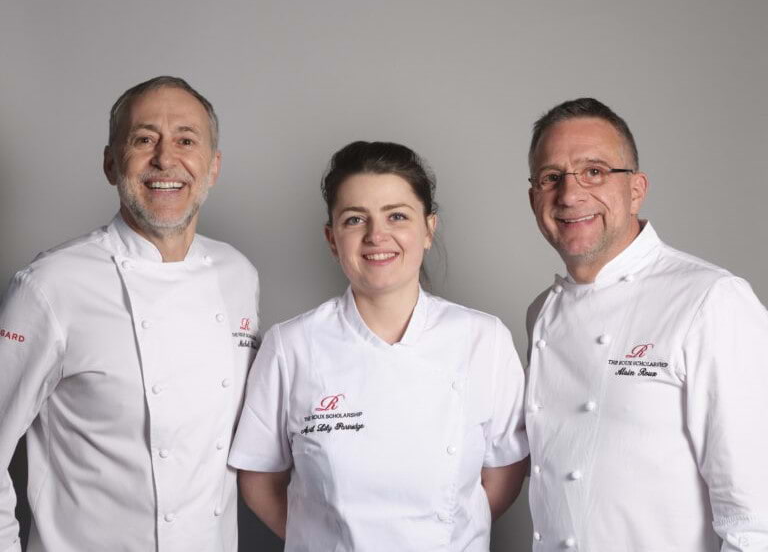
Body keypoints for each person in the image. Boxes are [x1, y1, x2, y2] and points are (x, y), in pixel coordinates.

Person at [0, 76, 260, 552]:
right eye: (144, 140)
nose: (165, 159)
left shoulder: (238, 275)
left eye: (186, 140)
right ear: (109, 163)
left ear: (213, 166)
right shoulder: (50, 285)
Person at [229, 141, 528, 551]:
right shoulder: (290, 346)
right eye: (355, 219)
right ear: (332, 238)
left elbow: (504, 473)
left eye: (398, 216)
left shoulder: (483, 339)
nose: (376, 236)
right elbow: (260, 479)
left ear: (428, 229)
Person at [525, 97, 768, 551]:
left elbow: (757, 518)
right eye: (551, 177)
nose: (570, 194)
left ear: (636, 189)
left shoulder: (711, 300)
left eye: (594, 171)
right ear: (534, 197)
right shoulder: (541, 313)